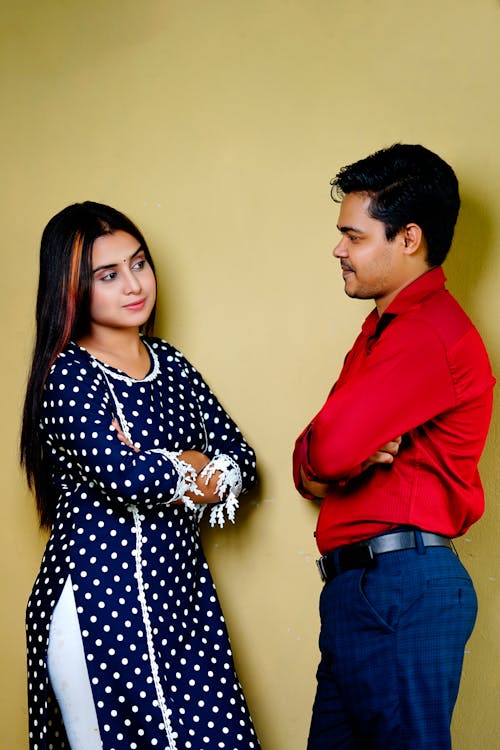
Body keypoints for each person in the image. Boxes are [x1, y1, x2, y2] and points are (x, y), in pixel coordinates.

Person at [21, 201, 260, 750]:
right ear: (71, 288)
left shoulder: (170, 363)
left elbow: (241, 459)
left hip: (182, 604)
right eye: (108, 275)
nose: (134, 284)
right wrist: (189, 464)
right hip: (99, 609)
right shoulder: (68, 375)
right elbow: (123, 476)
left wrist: (180, 468)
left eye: (139, 263)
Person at [293, 144, 495, 750]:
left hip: (399, 588)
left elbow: (325, 451)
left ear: (408, 238)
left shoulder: (426, 331)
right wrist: (322, 459)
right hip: (367, 591)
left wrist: (326, 459)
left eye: (353, 236)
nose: (338, 249)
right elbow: (316, 453)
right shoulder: (384, 329)